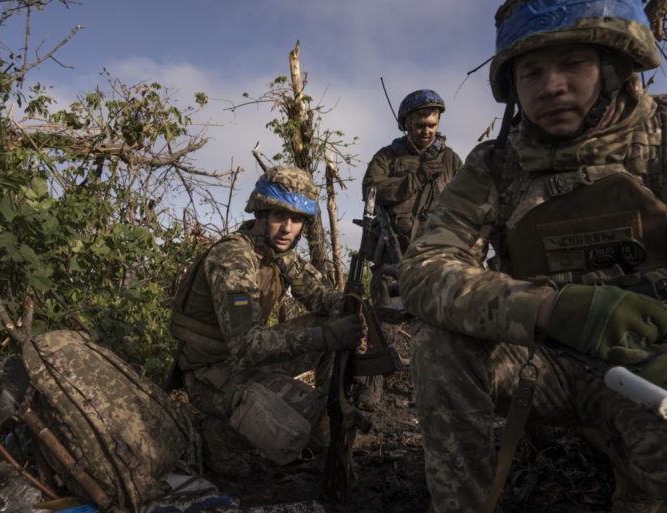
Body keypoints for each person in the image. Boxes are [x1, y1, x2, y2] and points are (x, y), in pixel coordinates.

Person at [398, 1, 667, 512]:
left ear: (612, 67)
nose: (551, 86)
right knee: (439, 344)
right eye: (532, 72)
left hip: (651, 366)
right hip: (547, 362)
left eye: (573, 64)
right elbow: (423, 268)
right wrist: (549, 310)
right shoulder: (497, 164)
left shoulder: (660, 138)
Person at [169, 165, 367, 474]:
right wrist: (325, 337)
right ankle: (219, 435)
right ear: (261, 215)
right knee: (295, 434)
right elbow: (247, 346)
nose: (288, 228)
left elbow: (319, 294)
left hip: (245, 362)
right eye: (279, 217)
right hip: (211, 374)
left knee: (326, 424)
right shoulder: (233, 259)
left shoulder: (278, 253)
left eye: (297, 219)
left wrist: (354, 307)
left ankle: (326, 404)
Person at [358, 90, 463, 408]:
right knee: (384, 327)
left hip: (438, 258)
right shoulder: (387, 157)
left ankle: (440, 389)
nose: (427, 131)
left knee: (441, 327)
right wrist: (414, 179)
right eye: (420, 125)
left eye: (432, 124)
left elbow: (468, 200)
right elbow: (370, 190)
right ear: (406, 124)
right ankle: (374, 391)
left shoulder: (450, 159)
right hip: (392, 255)